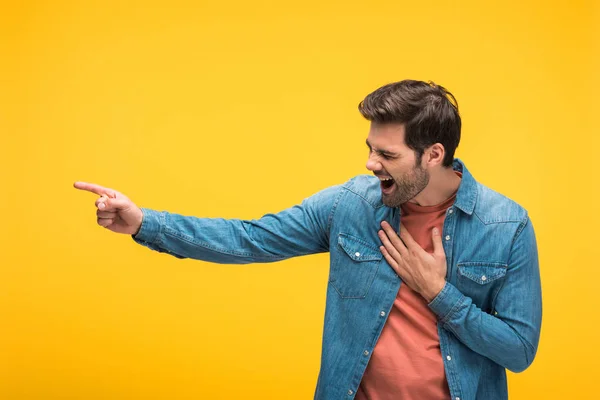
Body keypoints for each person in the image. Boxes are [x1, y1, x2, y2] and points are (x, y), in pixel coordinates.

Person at [74, 80, 542, 400]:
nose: (370, 164)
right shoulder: (349, 206)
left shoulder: (506, 226)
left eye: (387, 154)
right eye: (369, 149)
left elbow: (519, 352)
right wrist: (143, 223)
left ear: (434, 154)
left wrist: (440, 294)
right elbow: (250, 239)